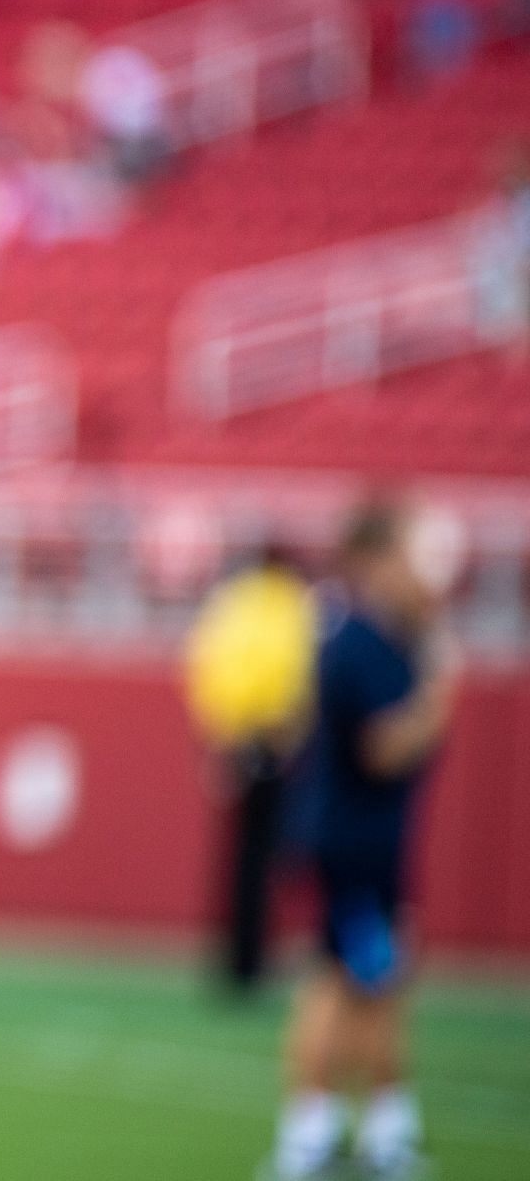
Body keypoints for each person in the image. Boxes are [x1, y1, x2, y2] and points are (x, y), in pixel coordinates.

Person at [271, 503, 458, 1181]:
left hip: (363, 839)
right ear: (377, 559)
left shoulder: (380, 636)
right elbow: (383, 746)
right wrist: (439, 697)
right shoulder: (360, 640)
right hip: (354, 842)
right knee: (350, 981)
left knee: (370, 979)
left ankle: (367, 1124)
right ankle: (317, 1129)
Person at [182, 545, 318, 995]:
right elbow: (302, 675)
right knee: (270, 854)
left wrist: (221, 735)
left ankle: (238, 957)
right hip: (277, 739)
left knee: (242, 855)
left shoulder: (231, 603)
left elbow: (205, 668)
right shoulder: (293, 607)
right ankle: (258, 957)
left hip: (238, 737)